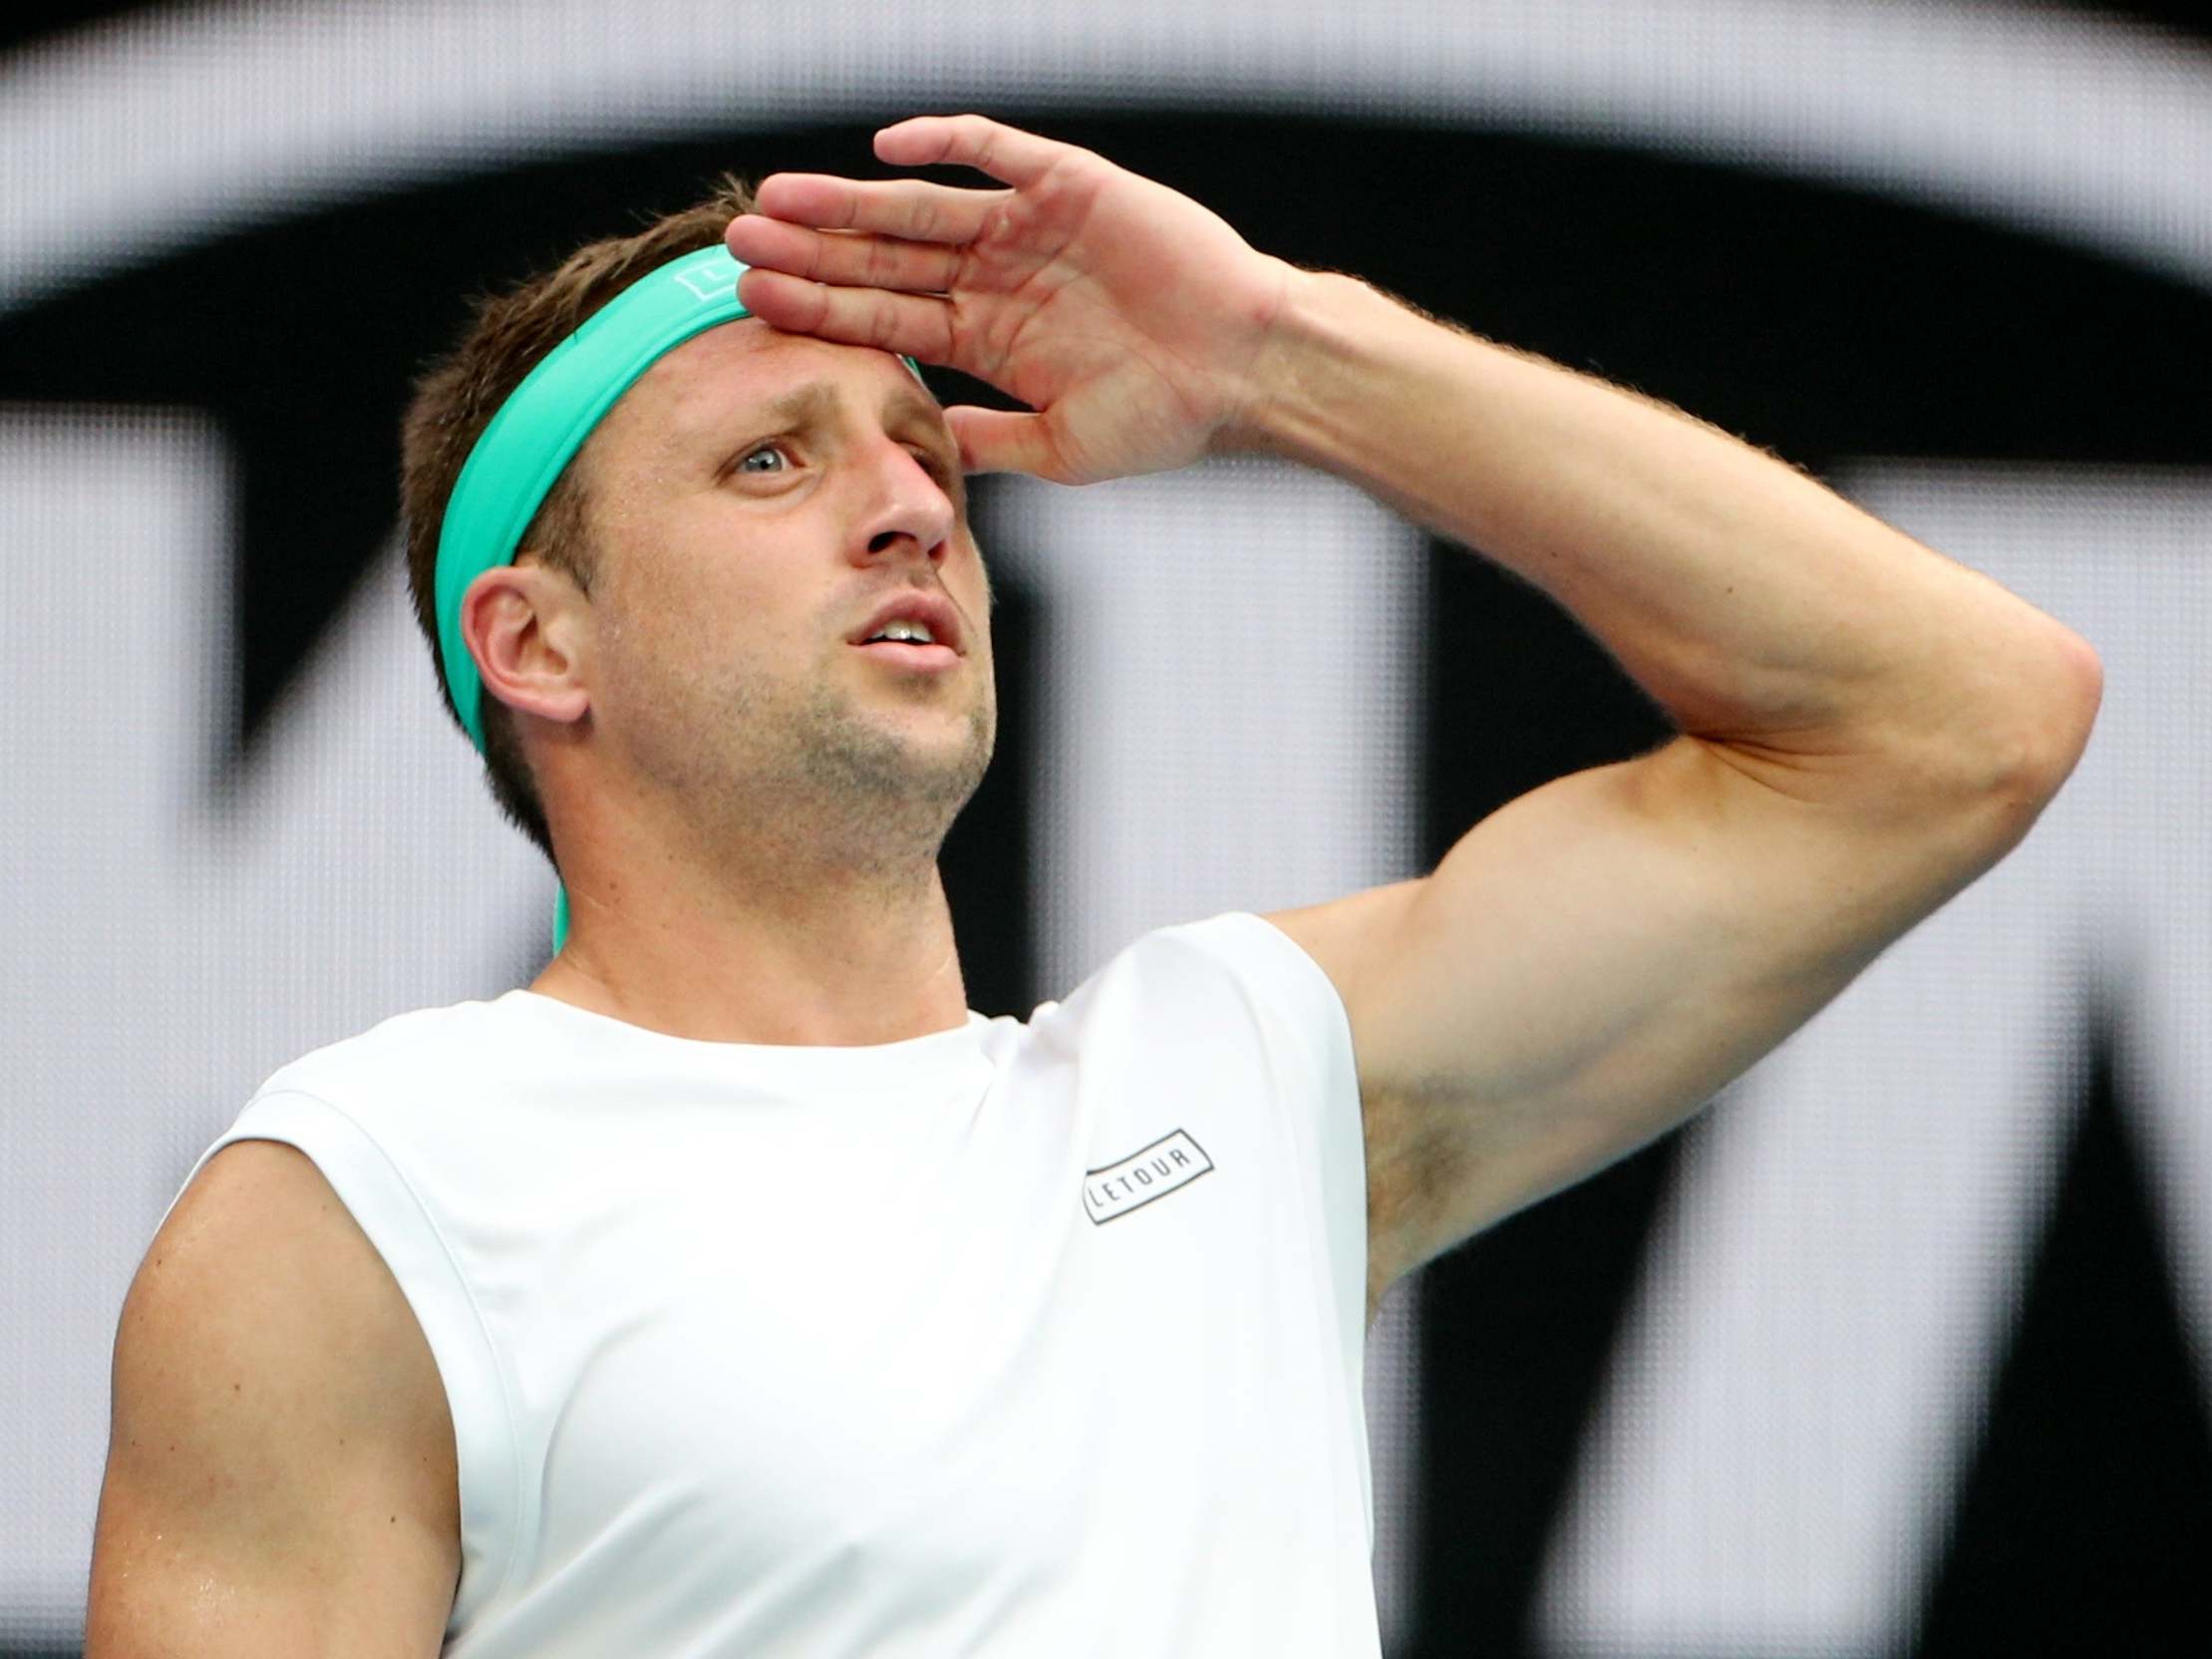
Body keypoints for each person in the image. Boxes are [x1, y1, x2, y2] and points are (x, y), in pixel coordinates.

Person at [85, 114, 2099, 1657]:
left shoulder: (1228, 1082)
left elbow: (1962, 716)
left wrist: (1280, 354)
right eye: (770, 462)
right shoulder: (368, 1199)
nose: (900, 502)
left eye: (924, 456)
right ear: (538, 644)